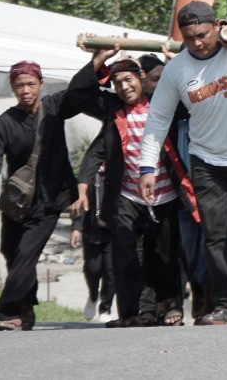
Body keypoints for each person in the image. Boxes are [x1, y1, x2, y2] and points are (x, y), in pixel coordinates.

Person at [137, 2, 227, 325]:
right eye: (189, 38)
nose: (198, 43)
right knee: (215, 236)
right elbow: (158, 118)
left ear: (216, 26)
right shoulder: (177, 69)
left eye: (203, 35)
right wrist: (146, 167)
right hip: (206, 160)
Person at [66, 47, 191, 327]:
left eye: (129, 80)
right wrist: (98, 59)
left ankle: (170, 305)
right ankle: (134, 312)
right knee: (127, 256)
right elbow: (76, 95)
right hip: (127, 195)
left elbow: (189, 96)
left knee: (165, 254)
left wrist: (177, 64)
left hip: (166, 193)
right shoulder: (111, 109)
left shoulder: (164, 102)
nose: (123, 87)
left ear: (142, 78)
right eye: (117, 83)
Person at [0, 59, 85, 331]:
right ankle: (26, 309)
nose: (25, 90)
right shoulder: (4, 123)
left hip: (49, 201)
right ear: (12, 88)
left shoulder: (55, 108)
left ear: (41, 84)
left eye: (31, 84)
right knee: (11, 252)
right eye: (19, 85)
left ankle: (9, 311)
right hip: (17, 203)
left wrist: (97, 61)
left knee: (25, 254)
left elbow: (80, 90)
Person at [72, 136, 115, 320]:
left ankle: (106, 308)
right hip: (92, 229)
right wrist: (76, 228)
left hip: (113, 230)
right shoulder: (88, 175)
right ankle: (93, 295)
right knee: (92, 268)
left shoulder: (118, 172)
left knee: (111, 270)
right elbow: (79, 203)